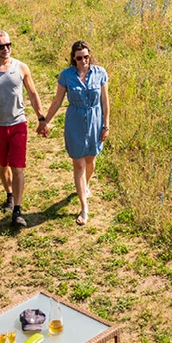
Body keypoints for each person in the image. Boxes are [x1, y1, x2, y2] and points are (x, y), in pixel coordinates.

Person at [0, 31, 46, 227]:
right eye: (1, 46)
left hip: (18, 124)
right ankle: (9, 194)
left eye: (8, 45)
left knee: (18, 167)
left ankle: (18, 210)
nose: (5, 49)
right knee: (2, 164)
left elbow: (32, 93)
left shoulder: (21, 67)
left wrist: (41, 118)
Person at [38, 40, 109, 226]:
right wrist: (45, 121)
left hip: (95, 120)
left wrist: (106, 125)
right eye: (79, 58)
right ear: (73, 58)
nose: (84, 61)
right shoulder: (66, 75)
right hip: (75, 121)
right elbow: (57, 101)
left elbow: (105, 102)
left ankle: (85, 185)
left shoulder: (100, 72)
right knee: (78, 164)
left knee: (91, 160)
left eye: (86, 57)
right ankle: (84, 207)